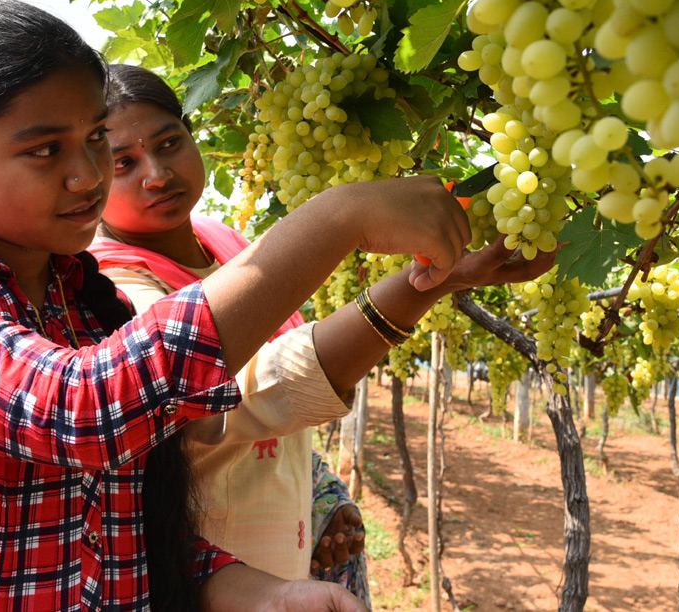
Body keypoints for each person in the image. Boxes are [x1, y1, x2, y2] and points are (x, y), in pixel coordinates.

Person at [0, 0, 543, 612]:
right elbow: (78, 411)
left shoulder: (86, 311)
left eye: (95, 139)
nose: (88, 175)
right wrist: (334, 219)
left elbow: (121, 529)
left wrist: (260, 592)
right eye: (45, 151)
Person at [89, 64, 556, 605]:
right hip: (203, 588)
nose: (156, 173)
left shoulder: (230, 246)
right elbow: (230, 392)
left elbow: (277, 419)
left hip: (279, 575)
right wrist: (384, 257)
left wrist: (319, 495)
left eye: (170, 143)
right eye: (124, 162)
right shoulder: (107, 284)